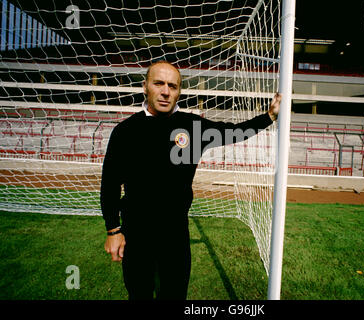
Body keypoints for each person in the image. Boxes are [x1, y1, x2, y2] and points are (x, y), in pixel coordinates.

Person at [101, 60, 281, 300]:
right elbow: (110, 183)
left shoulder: (193, 126)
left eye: (172, 86)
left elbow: (235, 131)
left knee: (174, 295)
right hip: (136, 233)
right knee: (139, 294)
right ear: (145, 87)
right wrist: (114, 229)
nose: (165, 91)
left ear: (179, 92)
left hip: (175, 234)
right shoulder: (125, 131)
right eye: (159, 83)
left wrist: (269, 116)